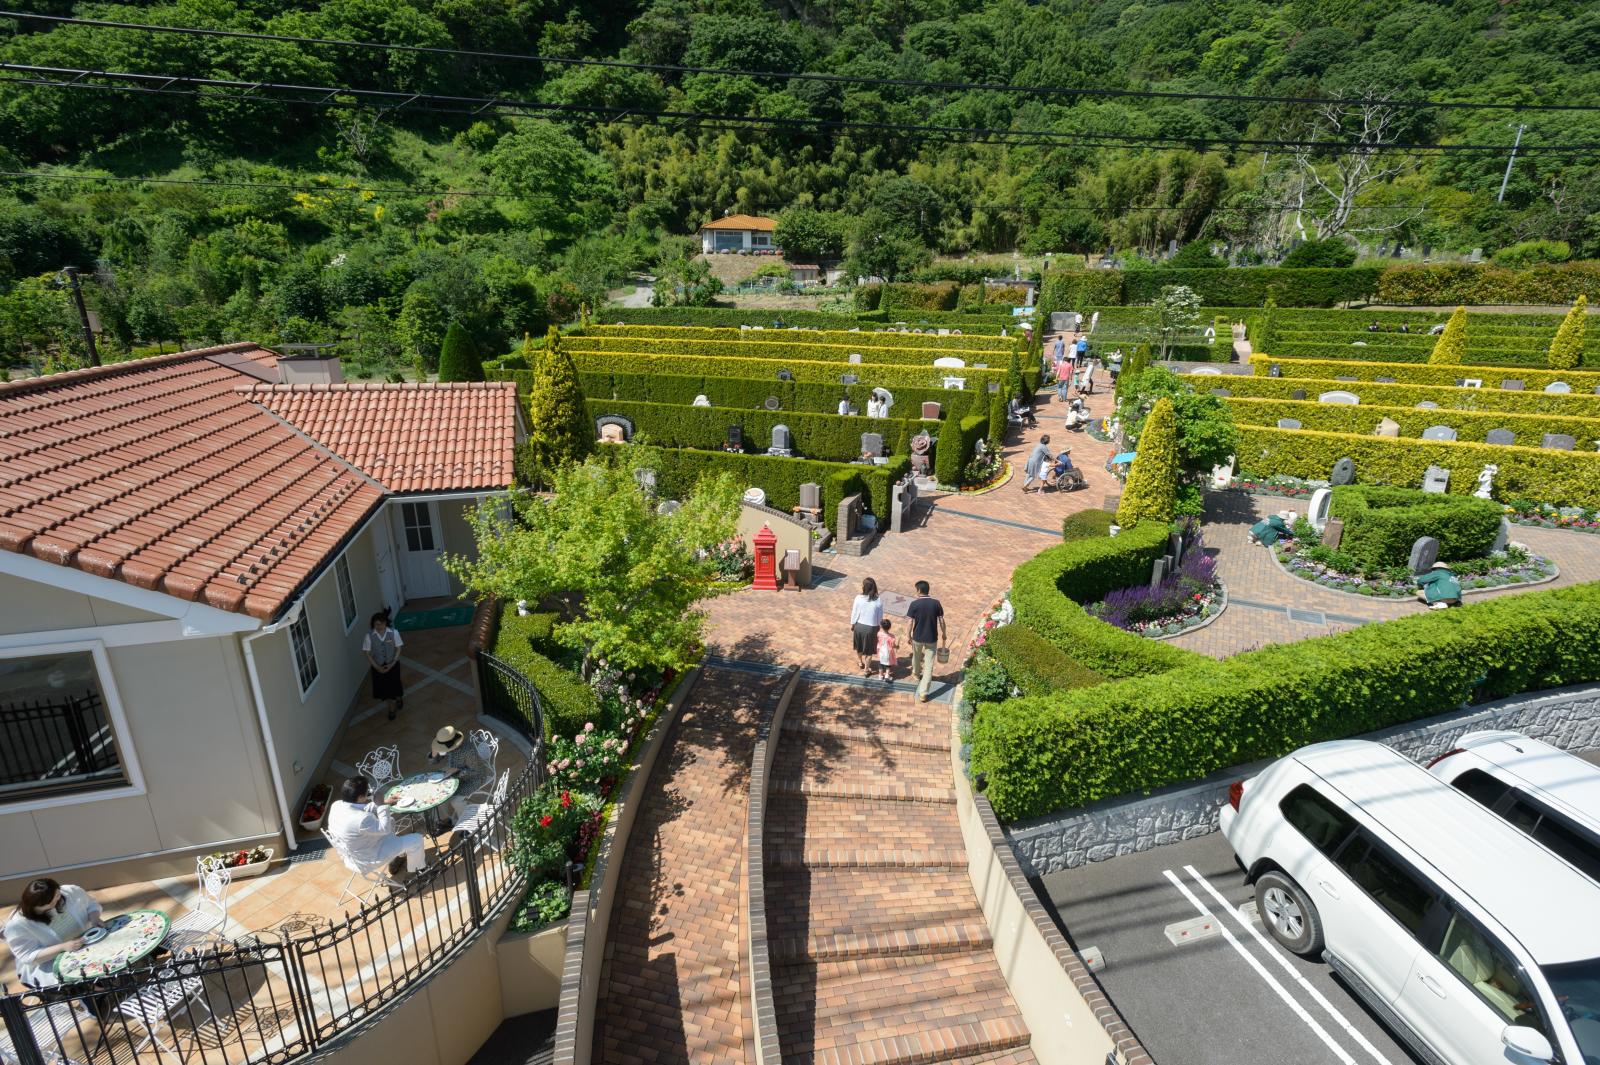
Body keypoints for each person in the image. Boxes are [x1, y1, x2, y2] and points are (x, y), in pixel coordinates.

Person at [4, 879, 105, 989]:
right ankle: (95, 998)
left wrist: (94, 918)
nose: (56, 901)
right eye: (48, 904)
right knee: (76, 981)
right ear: (33, 905)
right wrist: (62, 947)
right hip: (49, 962)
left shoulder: (70, 892)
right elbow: (28, 957)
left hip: (84, 946)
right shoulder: (18, 925)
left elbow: (91, 904)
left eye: (57, 896)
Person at [327, 777, 427, 880]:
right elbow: (385, 829)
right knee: (417, 839)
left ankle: (396, 858)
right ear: (361, 797)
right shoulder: (362, 819)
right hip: (369, 857)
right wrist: (381, 805)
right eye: (367, 792)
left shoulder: (337, 805)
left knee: (391, 820)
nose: (369, 793)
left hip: (352, 856)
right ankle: (418, 872)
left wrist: (384, 802)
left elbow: (362, 808)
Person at [906, 581, 947, 703]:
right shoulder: (936, 603)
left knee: (916, 657)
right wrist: (944, 633)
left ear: (918, 590)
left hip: (917, 637)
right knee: (929, 665)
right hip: (932, 638)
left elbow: (909, 622)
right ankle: (924, 693)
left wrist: (908, 635)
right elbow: (942, 621)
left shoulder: (914, 604)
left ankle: (916, 674)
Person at [363, 611, 405, 720]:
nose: (379, 626)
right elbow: (367, 653)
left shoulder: (394, 633)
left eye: (381, 623)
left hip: (393, 664)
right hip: (378, 666)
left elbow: (398, 648)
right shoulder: (369, 636)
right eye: (376, 624)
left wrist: (393, 663)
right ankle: (391, 708)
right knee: (385, 690)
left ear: (385, 623)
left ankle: (398, 697)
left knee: (395, 685)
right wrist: (377, 667)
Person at [850, 578, 885, 676]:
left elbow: (855, 612)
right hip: (871, 628)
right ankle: (866, 670)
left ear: (864, 587)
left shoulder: (858, 598)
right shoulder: (878, 600)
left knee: (859, 646)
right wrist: (878, 627)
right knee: (869, 651)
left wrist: (853, 624)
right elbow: (880, 617)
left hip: (859, 626)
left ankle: (860, 661)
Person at [875, 618, 897, 683]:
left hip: (881, 651)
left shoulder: (879, 634)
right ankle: (887, 675)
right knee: (888, 664)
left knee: (881, 663)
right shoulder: (892, 636)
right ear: (889, 627)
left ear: (881, 626)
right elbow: (893, 645)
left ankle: (880, 675)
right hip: (888, 652)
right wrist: (897, 647)